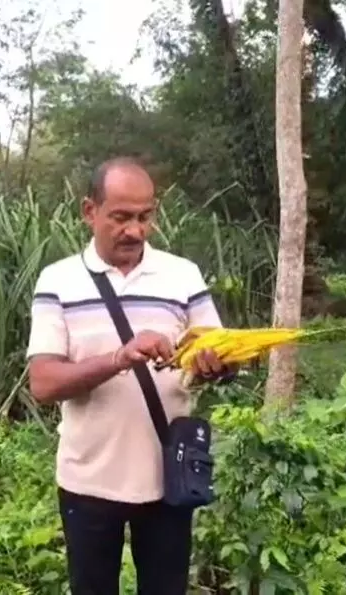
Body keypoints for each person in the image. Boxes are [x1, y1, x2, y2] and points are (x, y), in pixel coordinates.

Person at [25, 156, 233, 595]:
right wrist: (120, 357)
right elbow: (43, 383)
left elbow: (217, 357)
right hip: (88, 480)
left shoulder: (183, 275)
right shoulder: (57, 281)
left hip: (168, 475)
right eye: (120, 217)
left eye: (145, 217)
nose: (135, 231)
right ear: (89, 211)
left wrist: (220, 365)